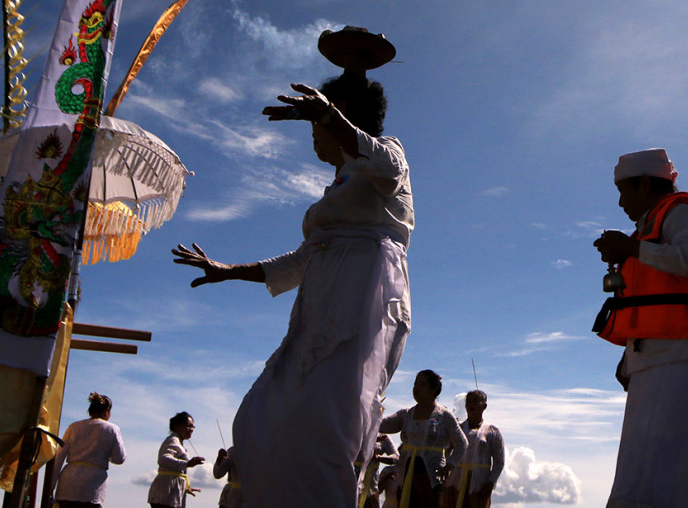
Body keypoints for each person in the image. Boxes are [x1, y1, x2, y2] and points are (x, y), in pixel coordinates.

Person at [173, 28, 413, 508]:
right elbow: (303, 260)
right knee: (264, 415)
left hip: (364, 296)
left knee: (329, 420)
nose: (313, 136)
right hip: (323, 297)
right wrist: (228, 270)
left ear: (339, 121)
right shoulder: (341, 185)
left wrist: (330, 114)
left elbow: (378, 161)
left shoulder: (388, 157)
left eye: (314, 127)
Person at [591, 148, 688, 508]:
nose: (621, 201)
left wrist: (631, 249)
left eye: (624, 190)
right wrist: (630, 358)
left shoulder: (681, 211)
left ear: (644, 183)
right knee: (651, 471)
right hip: (658, 355)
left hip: (683, 352)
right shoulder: (649, 226)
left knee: (663, 473)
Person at [380, 370, 468, 508]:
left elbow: (462, 443)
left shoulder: (444, 416)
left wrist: (450, 465)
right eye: (415, 384)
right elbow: (381, 424)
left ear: (433, 389)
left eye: (422, 384)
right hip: (407, 474)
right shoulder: (406, 414)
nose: (416, 388)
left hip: (431, 476)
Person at [51, 392, 126, 508]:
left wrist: (50, 486)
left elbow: (59, 457)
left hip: (68, 483)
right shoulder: (112, 429)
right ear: (107, 411)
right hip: (92, 484)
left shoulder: (74, 427)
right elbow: (119, 458)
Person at [445, 390, 505, 508]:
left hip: (479, 483)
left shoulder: (492, 431)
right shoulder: (458, 429)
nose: (471, 404)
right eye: (468, 401)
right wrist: (447, 469)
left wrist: (490, 483)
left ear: (484, 406)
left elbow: (499, 461)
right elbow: (446, 450)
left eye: (476, 401)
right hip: (455, 480)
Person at [147, 412, 205, 508]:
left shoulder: (179, 442)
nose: (191, 430)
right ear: (177, 426)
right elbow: (163, 459)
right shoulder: (173, 440)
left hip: (171, 493)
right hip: (165, 493)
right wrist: (187, 463)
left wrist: (185, 487)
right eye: (188, 426)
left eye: (192, 427)